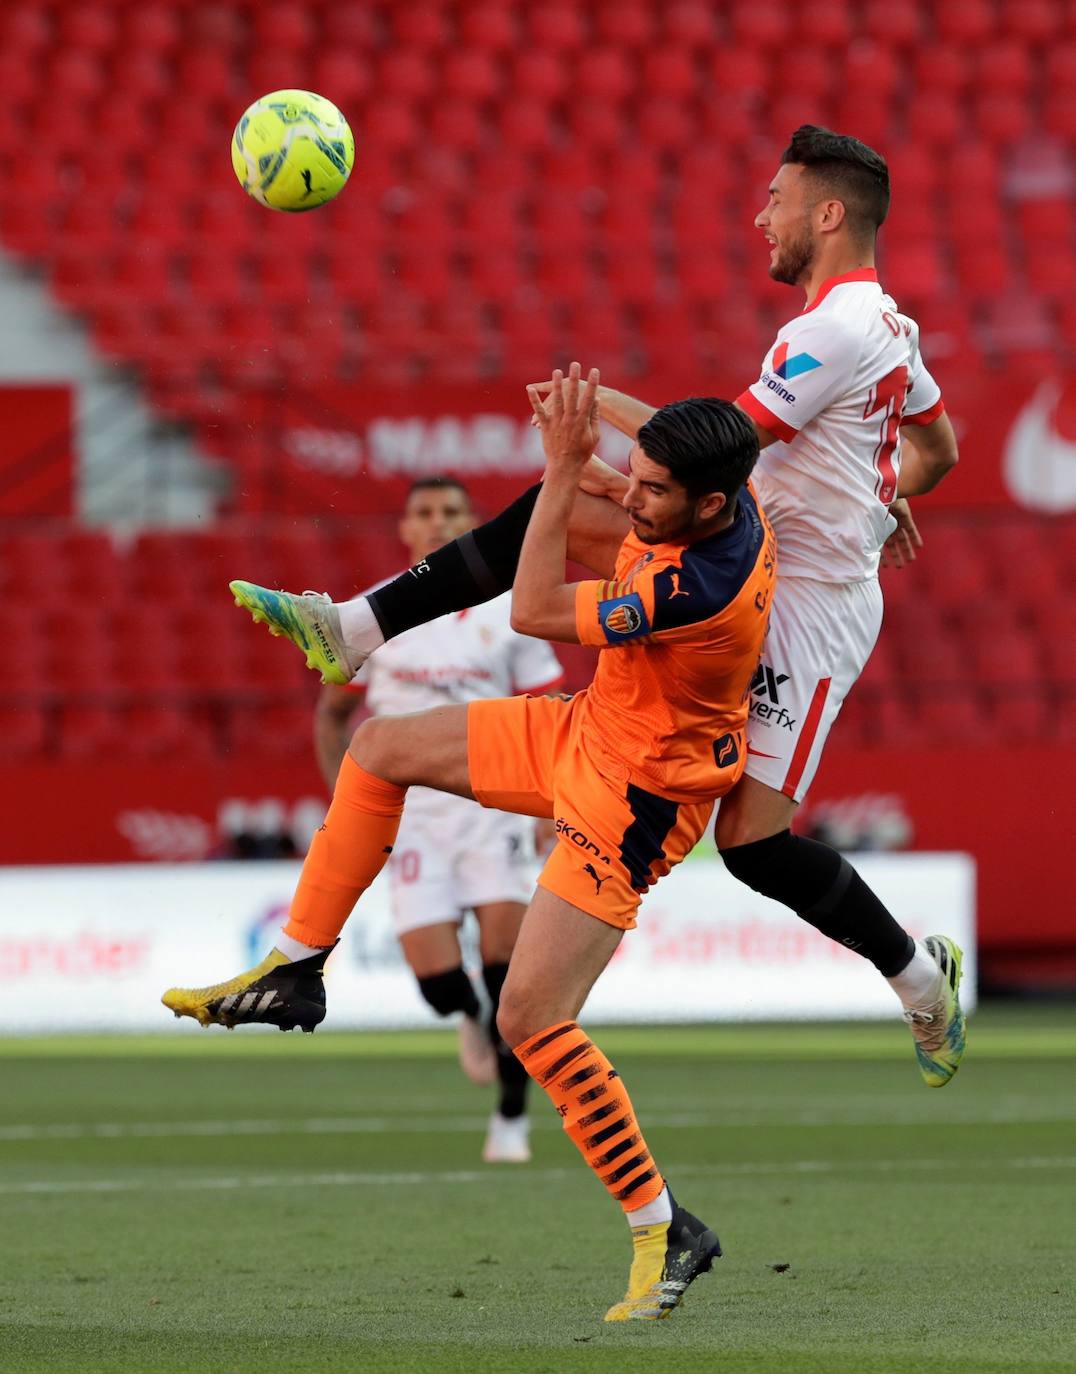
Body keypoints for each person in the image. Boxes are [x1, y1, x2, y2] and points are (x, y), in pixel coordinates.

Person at [221, 126, 966, 1089]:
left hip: (807, 613)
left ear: (827, 213)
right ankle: (355, 627)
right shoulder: (890, 327)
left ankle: (920, 982)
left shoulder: (838, 328)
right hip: (742, 558)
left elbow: (712, 446)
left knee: (753, 844)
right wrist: (879, 493)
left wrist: (597, 408)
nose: (760, 216)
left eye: (775, 199)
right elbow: (938, 450)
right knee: (560, 504)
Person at [165, 371, 776, 1321]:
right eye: (639, 478)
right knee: (378, 747)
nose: (636, 492)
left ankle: (665, 1228)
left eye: (653, 490)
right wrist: (596, 410)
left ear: (710, 504)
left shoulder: (696, 585)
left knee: (531, 1022)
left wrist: (570, 466)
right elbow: (655, 438)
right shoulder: (716, 496)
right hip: (588, 729)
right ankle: (295, 965)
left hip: (635, 801)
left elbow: (531, 612)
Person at [315, 475, 565, 1164]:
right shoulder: (378, 614)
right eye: (423, 513)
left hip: (494, 804)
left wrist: (551, 801)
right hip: (412, 814)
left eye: (450, 512)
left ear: (471, 521)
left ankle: (511, 1119)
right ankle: (468, 1017)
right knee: (437, 984)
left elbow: (550, 707)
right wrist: (348, 798)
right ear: (405, 529)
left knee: (507, 968)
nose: (436, 522)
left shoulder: (511, 607)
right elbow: (333, 714)